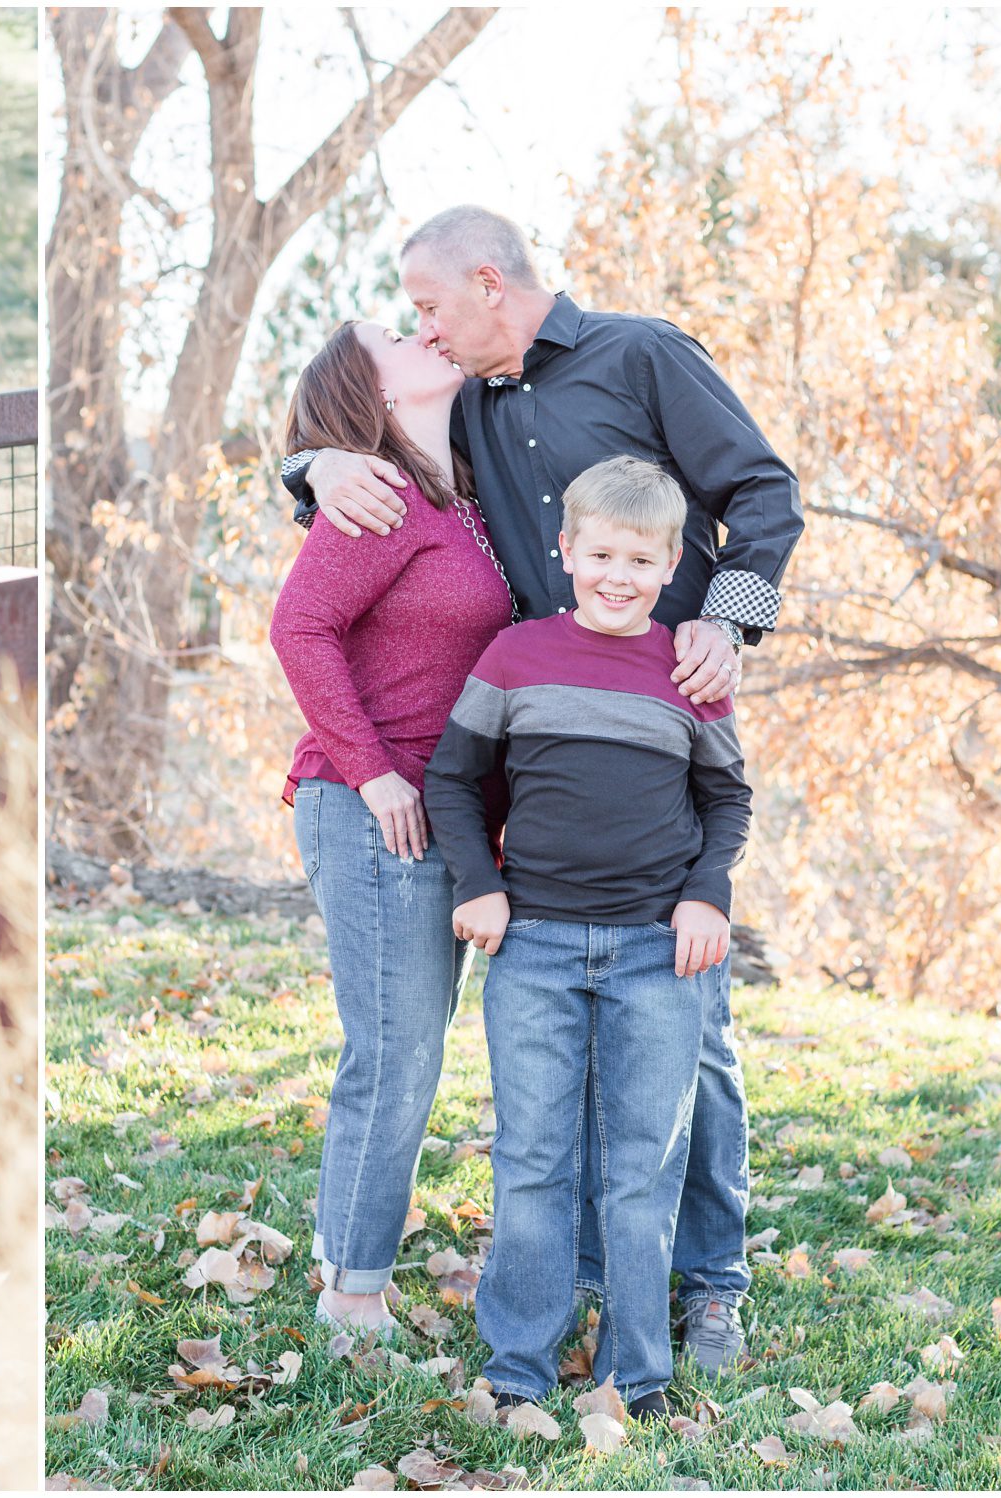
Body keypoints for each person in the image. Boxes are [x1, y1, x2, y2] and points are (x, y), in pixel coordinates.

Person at [284, 205, 800, 1370]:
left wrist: (730, 619)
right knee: (563, 1011)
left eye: (426, 307)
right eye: (407, 320)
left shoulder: (641, 354)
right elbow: (365, 457)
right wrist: (306, 462)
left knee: (689, 1016)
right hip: (533, 739)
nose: (420, 327)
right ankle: (580, 1271)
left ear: (483, 282)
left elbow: (763, 490)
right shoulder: (461, 402)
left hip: (665, 722)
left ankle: (708, 1281)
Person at [422, 455, 751, 1420]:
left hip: (659, 950)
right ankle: (518, 1364)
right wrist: (478, 883)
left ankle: (634, 1376)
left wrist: (708, 896)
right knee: (533, 1160)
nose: (618, 574)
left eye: (640, 559)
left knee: (642, 1164)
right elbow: (451, 776)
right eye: (600, 552)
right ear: (565, 552)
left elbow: (726, 797)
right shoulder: (516, 657)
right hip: (536, 949)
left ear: (670, 564)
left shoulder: (689, 671)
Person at [266, 321, 516, 1334]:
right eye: (395, 337)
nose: (426, 333)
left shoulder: (461, 491)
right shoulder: (375, 493)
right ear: (369, 391)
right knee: (395, 1050)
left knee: (413, 1046)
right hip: (373, 811)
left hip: (443, 816)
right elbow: (297, 627)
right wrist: (371, 775)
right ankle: (353, 1293)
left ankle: (345, 1261)